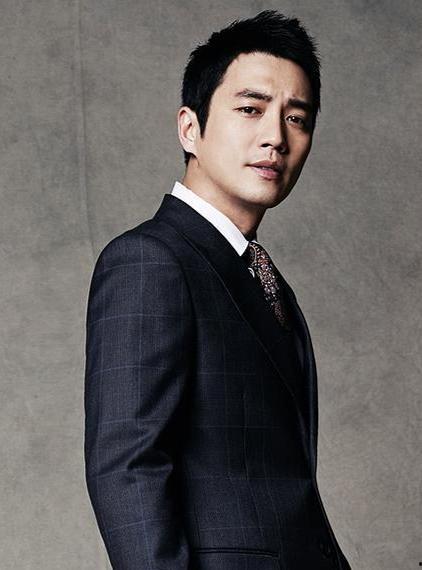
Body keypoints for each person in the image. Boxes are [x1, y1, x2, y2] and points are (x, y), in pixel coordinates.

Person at [84, 10, 352, 570]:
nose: (275, 137)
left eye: (297, 118)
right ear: (190, 128)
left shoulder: (262, 276)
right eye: (251, 109)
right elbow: (127, 468)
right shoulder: (150, 261)